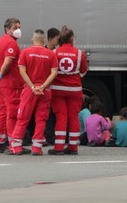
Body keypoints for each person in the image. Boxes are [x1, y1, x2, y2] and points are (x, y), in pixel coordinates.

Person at [9, 30, 58, 155]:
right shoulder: (51, 54)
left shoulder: (25, 52)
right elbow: (54, 73)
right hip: (45, 91)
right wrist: (43, 87)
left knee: (22, 118)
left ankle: (16, 147)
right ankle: (37, 148)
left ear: (32, 39)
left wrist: (32, 86)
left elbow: (22, 72)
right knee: (41, 120)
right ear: (44, 41)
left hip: (29, 91)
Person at [49, 26, 88, 155]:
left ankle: (58, 147)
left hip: (58, 90)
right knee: (73, 118)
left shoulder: (54, 52)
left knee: (61, 117)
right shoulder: (79, 53)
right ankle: (73, 147)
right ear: (72, 38)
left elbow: (51, 71)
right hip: (74, 90)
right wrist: (74, 77)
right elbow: (83, 71)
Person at [0, 17, 24, 153]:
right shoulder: (11, 43)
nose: (18, 30)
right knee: (12, 113)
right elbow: (8, 61)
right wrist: (1, 74)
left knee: (3, 112)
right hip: (11, 84)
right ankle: (13, 144)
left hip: (1, 84)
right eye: (15, 28)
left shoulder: (0, 41)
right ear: (7, 29)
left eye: (19, 27)